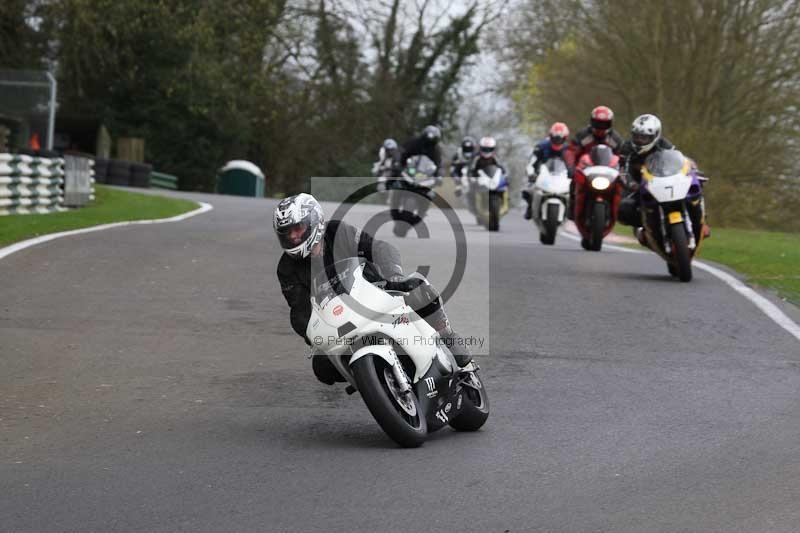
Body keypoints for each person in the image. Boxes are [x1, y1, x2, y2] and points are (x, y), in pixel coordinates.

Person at [274, 193, 472, 384]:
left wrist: (393, 276)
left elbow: (379, 248)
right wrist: (315, 336)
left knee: (417, 287)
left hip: (376, 295)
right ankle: (372, 379)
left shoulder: (337, 231)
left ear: (314, 221)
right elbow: (300, 310)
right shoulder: (286, 269)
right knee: (322, 367)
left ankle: (448, 336)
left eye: (297, 229)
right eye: (287, 232)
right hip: (341, 323)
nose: (293, 236)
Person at [617, 114, 709, 244]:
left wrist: (692, 169)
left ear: (655, 136)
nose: (639, 140)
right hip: (637, 184)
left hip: (660, 180)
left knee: (693, 189)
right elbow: (622, 171)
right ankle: (642, 229)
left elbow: (680, 159)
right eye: (636, 136)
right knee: (624, 208)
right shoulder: (626, 148)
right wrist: (632, 185)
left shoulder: (664, 144)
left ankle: (702, 222)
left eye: (644, 137)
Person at [564, 106, 624, 219]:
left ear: (610, 124)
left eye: (604, 124)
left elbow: (623, 155)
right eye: (598, 123)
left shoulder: (615, 138)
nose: (600, 127)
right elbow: (571, 151)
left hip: (608, 173)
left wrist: (623, 170)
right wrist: (571, 167)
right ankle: (572, 207)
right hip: (586, 170)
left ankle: (618, 211)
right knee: (574, 183)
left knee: (620, 188)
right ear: (592, 122)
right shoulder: (584, 135)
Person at [522, 122, 570, 220]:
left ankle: (571, 212)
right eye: (555, 138)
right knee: (528, 190)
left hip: (562, 176)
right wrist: (531, 174)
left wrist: (573, 174)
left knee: (575, 192)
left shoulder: (569, 149)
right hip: (542, 175)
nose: (557, 141)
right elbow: (532, 162)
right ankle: (530, 207)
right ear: (550, 136)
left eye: (560, 139)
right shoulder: (541, 146)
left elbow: (573, 164)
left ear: (565, 138)